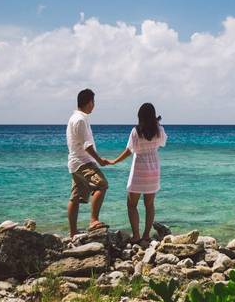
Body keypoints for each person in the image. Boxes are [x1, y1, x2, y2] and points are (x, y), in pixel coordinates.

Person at [109, 102, 167, 244]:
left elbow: (129, 150)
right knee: (149, 205)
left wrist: (115, 161)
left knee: (131, 205)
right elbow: (162, 143)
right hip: (153, 170)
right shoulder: (159, 130)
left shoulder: (136, 131)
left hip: (139, 170)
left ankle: (136, 235)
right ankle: (146, 235)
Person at [66, 88, 112, 238]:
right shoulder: (81, 119)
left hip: (74, 163)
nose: (94, 105)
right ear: (89, 102)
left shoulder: (73, 118)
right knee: (102, 184)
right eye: (93, 101)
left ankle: (73, 232)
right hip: (83, 162)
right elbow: (87, 145)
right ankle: (93, 220)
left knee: (75, 197)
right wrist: (99, 160)